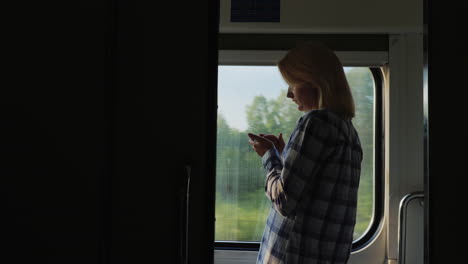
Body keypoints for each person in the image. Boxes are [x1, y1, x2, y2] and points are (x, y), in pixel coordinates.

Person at [248, 41, 363, 264]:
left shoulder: (315, 123)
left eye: (293, 84)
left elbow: (285, 200)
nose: (289, 94)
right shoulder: (348, 131)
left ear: (314, 82)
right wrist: (284, 155)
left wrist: (269, 157)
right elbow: (315, 188)